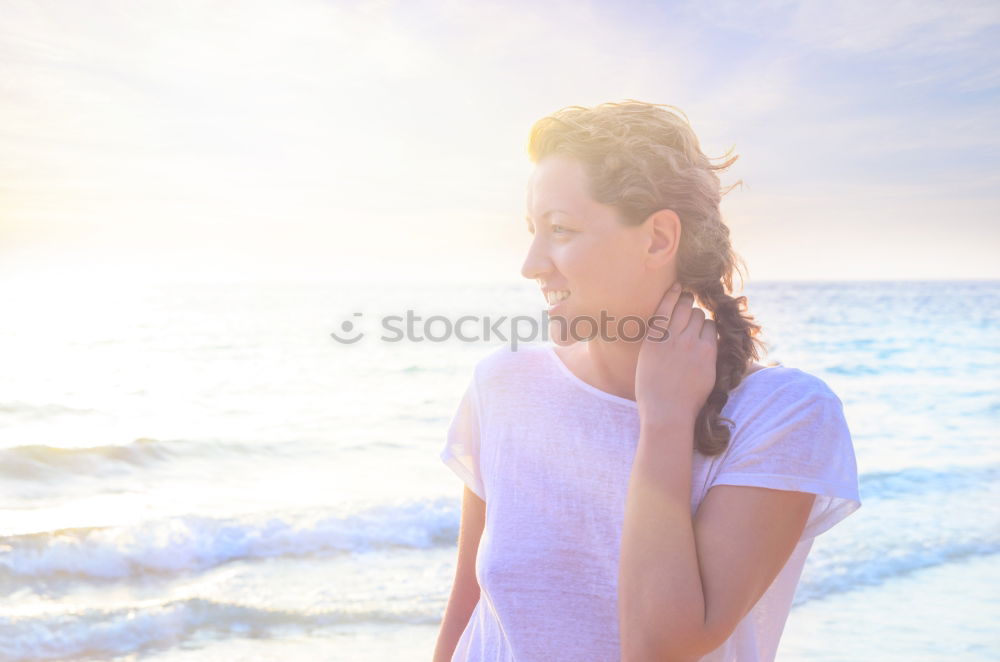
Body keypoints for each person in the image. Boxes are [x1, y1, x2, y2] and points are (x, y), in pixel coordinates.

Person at [433, 100, 861, 662]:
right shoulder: (503, 385)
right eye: (533, 231)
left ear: (659, 238)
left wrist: (664, 419)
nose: (532, 263)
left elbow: (663, 646)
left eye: (560, 230)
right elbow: (468, 608)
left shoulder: (784, 414)